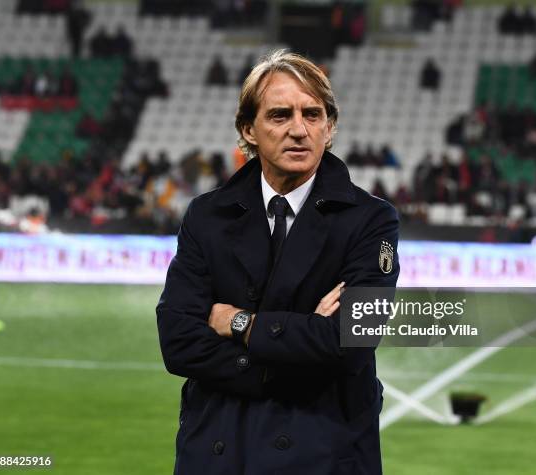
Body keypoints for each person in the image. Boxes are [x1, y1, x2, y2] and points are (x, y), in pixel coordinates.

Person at [156, 50, 400, 475]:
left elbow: (353, 342)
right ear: (248, 129)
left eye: (312, 114)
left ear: (330, 126)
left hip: (322, 455)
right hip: (218, 450)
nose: (299, 130)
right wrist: (301, 348)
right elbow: (178, 342)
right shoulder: (206, 215)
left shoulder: (370, 219)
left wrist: (240, 324)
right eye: (280, 116)